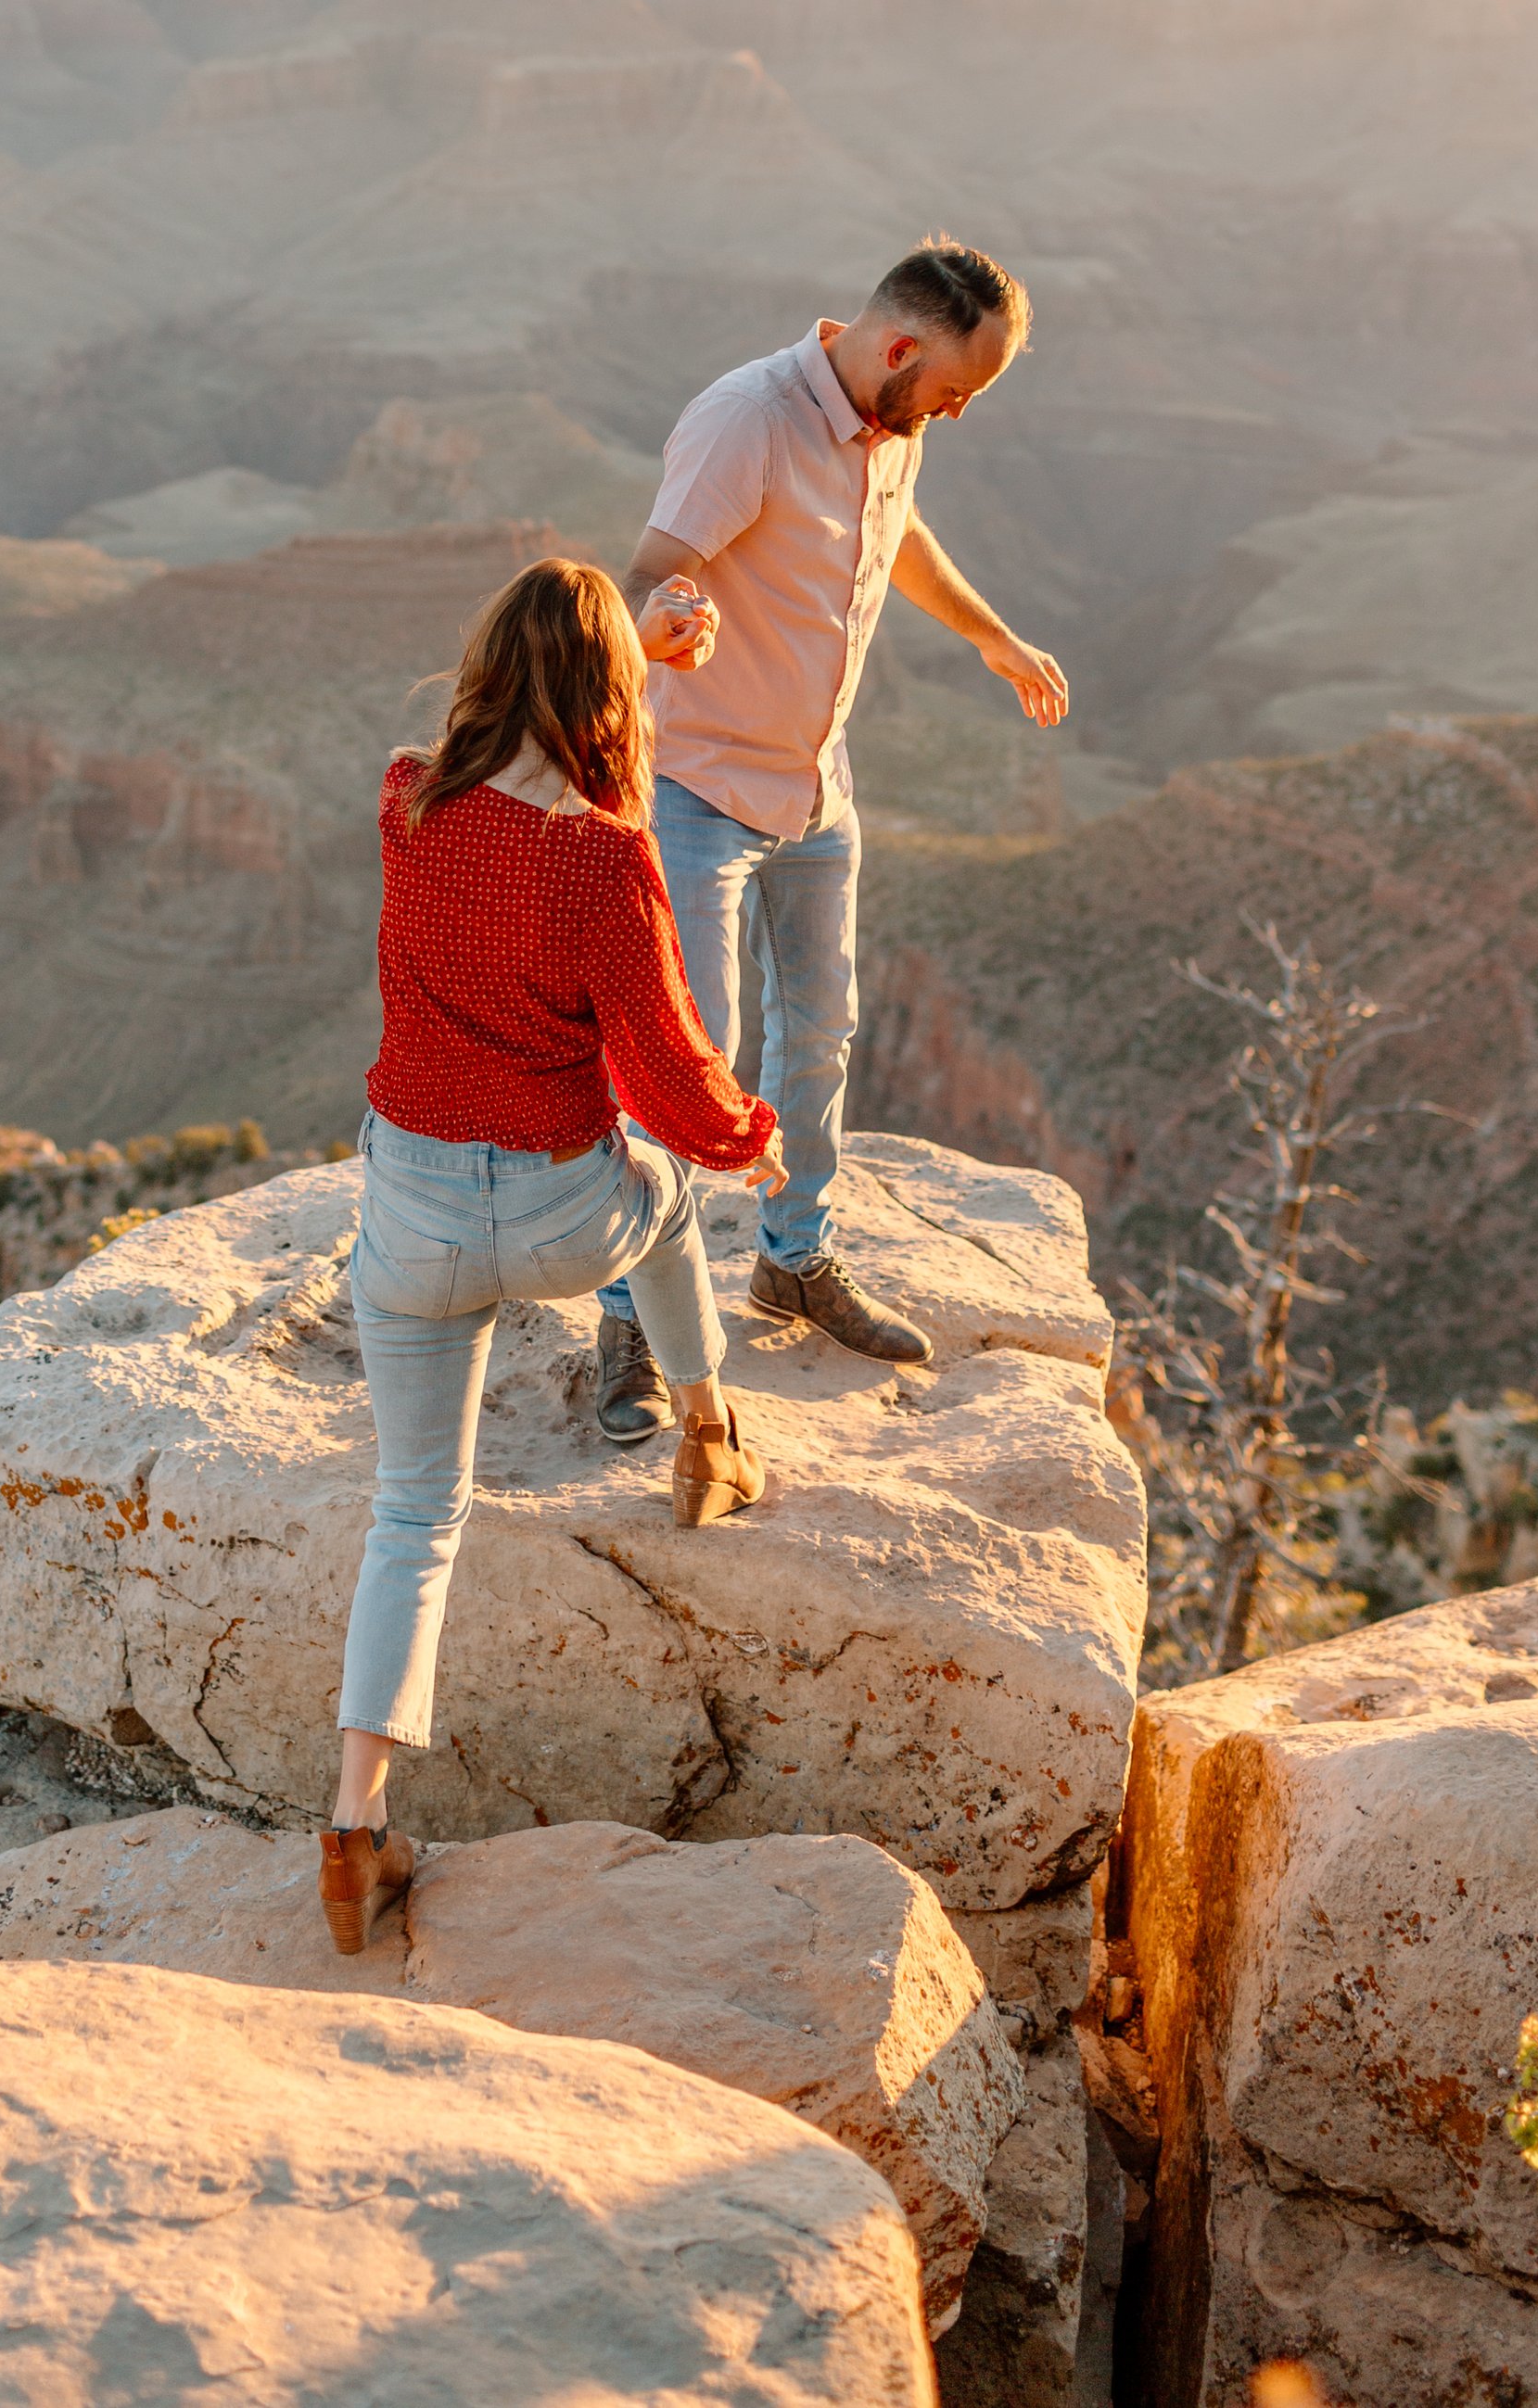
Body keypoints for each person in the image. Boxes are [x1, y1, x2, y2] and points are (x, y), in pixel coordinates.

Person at [319, 553, 785, 1956]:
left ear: (483, 673)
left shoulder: (410, 802)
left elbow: (512, 780)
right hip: (558, 1216)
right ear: (604, 700)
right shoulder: (605, 857)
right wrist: (744, 1135)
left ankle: (353, 1833)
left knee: (415, 1515)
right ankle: (709, 1433)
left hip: (410, 1219)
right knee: (663, 1187)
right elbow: (662, 1066)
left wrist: (617, 650)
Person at [595, 235, 1069, 1442]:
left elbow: (898, 536)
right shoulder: (744, 421)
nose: (952, 416)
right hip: (700, 787)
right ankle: (630, 1314)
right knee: (685, 1059)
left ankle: (792, 1259)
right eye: (956, 391)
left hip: (816, 791)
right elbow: (648, 568)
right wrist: (670, 620)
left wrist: (992, 637)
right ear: (902, 348)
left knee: (822, 1036)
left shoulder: (885, 426)